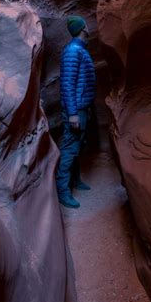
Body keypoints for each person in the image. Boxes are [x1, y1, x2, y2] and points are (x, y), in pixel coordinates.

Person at [56, 15, 96, 208]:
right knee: (70, 148)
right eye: (86, 24)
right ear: (82, 28)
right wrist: (72, 113)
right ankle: (63, 191)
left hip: (82, 108)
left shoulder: (79, 49)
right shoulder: (73, 51)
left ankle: (75, 181)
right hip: (76, 109)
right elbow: (67, 84)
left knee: (77, 145)